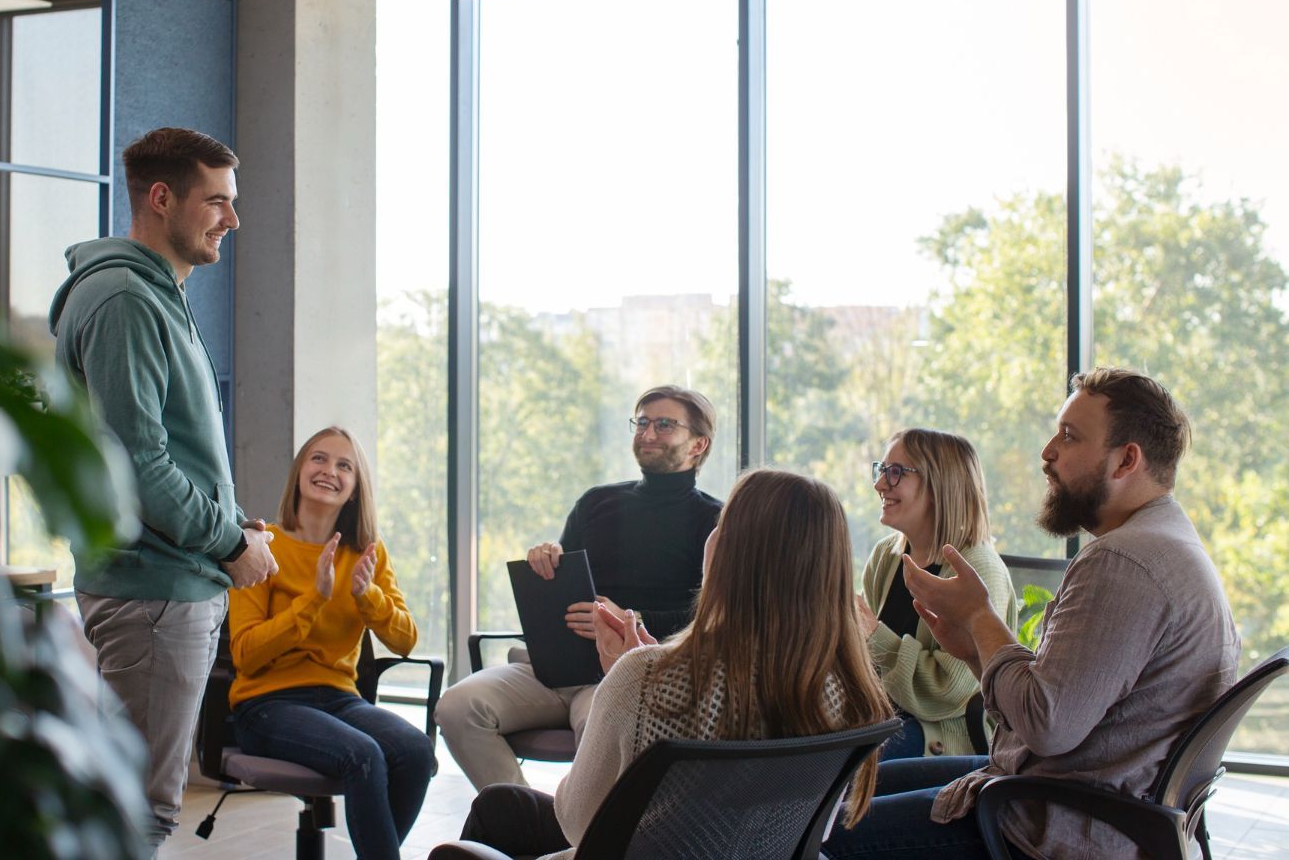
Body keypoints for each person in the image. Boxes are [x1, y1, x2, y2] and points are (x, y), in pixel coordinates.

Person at [823, 367, 1241, 860]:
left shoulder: (1124, 563)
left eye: (1069, 436)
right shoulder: (1166, 545)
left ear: (1127, 460)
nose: (1047, 452)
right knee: (834, 795)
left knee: (813, 827)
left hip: (1051, 825)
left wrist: (981, 620)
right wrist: (978, 651)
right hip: (1061, 793)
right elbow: (1049, 709)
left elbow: (1046, 726)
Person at [453, 470, 897, 859]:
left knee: (488, 822)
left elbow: (578, 823)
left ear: (729, 551)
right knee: (502, 804)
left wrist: (626, 675)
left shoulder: (644, 677)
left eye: (722, 525)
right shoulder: (852, 686)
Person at [49, 126, 277, 849]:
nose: (232, 220)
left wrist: (237, 522)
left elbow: (181, 446)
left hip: (170, 582)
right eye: (216, 201)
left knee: (135, 804)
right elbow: (137, 461)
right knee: (136, 813)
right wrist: (230, 541)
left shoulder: (156, 295)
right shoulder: (124, 300)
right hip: (154, 590)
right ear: (160, 197)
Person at [435, 385, 724, 790]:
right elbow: (567, 581)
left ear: (698, 444)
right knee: (456, 707)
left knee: (608, 737)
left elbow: (715, 615)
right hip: (556, 668)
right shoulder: (596, 502)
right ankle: (527, 824)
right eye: (641, 422)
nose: (647, 433)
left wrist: (628, 620)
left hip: (627, 675)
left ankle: (581, 841)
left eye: (664, 424)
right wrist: (547, 558)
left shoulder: (716, 520)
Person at [228, 427, 435, 860]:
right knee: (363, 756)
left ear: (356, 489)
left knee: (416, 751)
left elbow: (405, 640)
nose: (330, 471)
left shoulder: (366, 554)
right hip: (267, 703)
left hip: (340, 699)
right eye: (318, 459)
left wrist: (367, 597)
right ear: (300, 470)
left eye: (345, 466)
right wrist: (313, 601)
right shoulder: (262, 544)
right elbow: (245, 654)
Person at [857, 428, 1017, 758]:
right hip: (885, 720)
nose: (880, 484)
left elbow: (949, 690)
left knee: (843, 763)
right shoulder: (885, 557)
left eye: (896, 472)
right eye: (882, 469)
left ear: (940, 486)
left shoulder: (978, 570)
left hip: (944, 740)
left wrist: (875, 638)